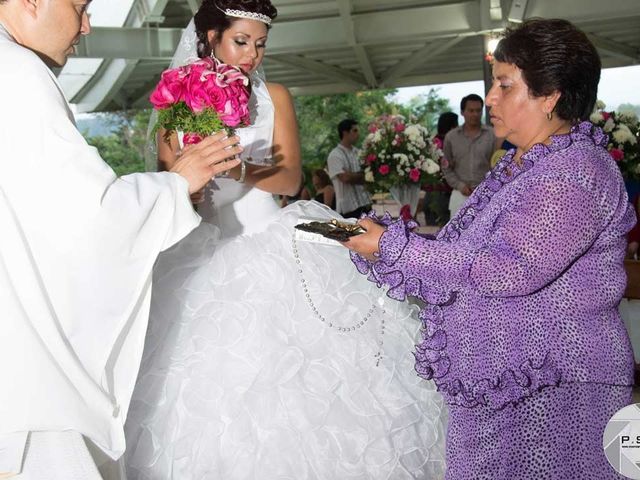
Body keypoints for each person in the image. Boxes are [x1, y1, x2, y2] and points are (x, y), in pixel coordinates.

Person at [123, 1, 446, 479]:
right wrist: (188, 178)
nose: (252, 54)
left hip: (273, 239)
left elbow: (291, 178)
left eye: (260, 44)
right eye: (241, 41)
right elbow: (170, 185)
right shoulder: (179, 101)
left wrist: (238, 167)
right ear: (211, 37)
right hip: (202, 251)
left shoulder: (274, 94)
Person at [345, 18, 635, 480]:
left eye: (504, 85)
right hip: (509, 379)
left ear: (551, 95)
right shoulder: (522, 162)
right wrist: (389, 242)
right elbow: (466, 251)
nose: (491, 99)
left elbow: (509, 268)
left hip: (558, 385)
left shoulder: (575, 170)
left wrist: (399, 249)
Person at [0, 1, 241, 478]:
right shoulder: (18, 73)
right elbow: (89, 220)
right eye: (81, 6)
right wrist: (177, 183)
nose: (87, 25)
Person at [442, 94, 495, 216]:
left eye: (478, 110)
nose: (475, 114)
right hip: (459, 194)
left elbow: (497, 165)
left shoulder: (492, 135)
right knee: (457, 234)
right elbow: (446, 167)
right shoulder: (451, 137)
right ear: (462, 112)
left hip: (485, 195)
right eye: (471, 111)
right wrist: (460, 186)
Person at [327, 119, 372, 218]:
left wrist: (352, 175)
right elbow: (345, 178)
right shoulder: (335, 155)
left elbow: (369, 176)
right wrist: (361, 176)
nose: (358, 134)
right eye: (355, 131)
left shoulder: (359, 152)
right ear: (345, 133)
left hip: (366, 205)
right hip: (348, 210)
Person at [422, 112, 458, 226]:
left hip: (429, 195)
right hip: (443, 195)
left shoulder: (432, 143)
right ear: (452, 126)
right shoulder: (448, 144)